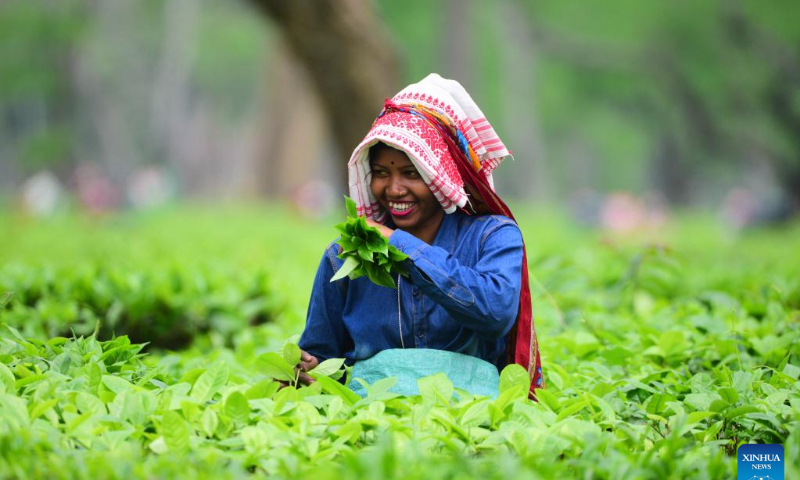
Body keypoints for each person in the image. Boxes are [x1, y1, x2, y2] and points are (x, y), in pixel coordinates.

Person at [297, 74, 543, 398]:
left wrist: (399, 245)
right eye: (382, 173)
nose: (394, 189)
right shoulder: (344, 255)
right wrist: (311, 369)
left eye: (411, 174)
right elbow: (324, 355)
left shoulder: (494, 236)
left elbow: (495, 314)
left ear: (442, 175)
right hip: (371, 422)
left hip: (474, 424)